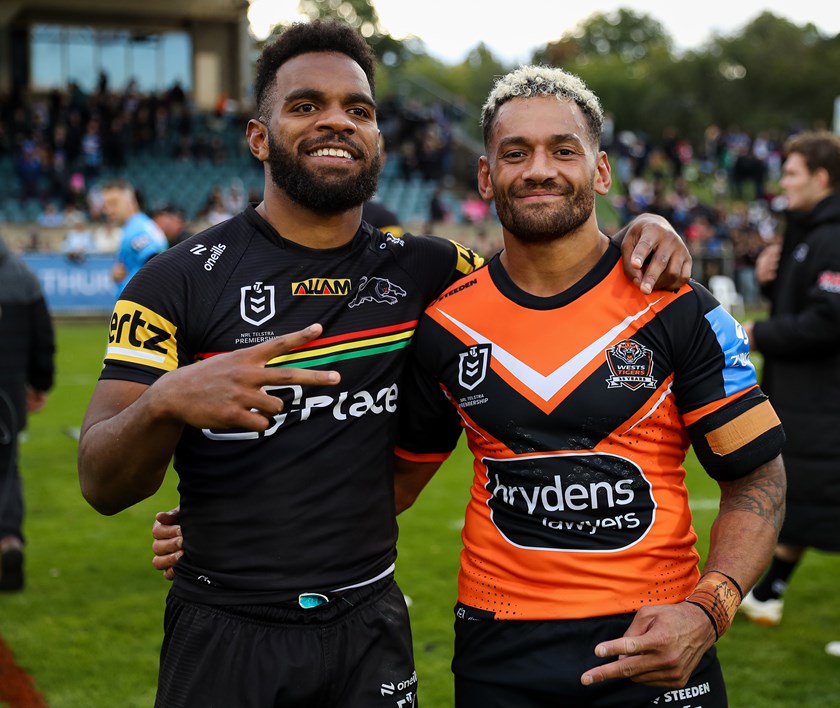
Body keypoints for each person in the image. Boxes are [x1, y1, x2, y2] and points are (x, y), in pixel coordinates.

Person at [81, 21, 691, 708]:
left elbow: (550, 266)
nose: (336, 121)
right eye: (306, 105)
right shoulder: (173, 283)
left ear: (376, 140)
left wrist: (645, 229)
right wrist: (167, 400)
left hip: (369, 626)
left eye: (359, 110)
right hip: (226, 627)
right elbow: (101, 482)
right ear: (258, 137)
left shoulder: (431, 268)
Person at [389, 66, 786, 706]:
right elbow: (393, 485)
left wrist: (709, 609)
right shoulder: (446, 322)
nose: (539, 168)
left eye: (562, 150)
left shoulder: (678, 305)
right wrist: (239, 520)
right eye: (515, 153)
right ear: (486, 176)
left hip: (659, 634)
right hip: (499, 644)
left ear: (601, 171)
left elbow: (758, 479)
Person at [739, 131, 840, 627]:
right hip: (808, 398)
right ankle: (769, 593)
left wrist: (759, 331)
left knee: (820, 499)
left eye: (792, 172)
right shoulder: (809, 232)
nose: (783, 182)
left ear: (821, 178)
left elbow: (830, 320)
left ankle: (768, 592)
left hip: (825, 398)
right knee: (804, 499)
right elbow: (808, 303)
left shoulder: (833, 234)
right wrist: (769, 282)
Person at [0, 235, 56, 592]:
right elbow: (43, 337)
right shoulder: (22, 275)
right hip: (7, 395)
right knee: (6, 470)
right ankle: (8, 541)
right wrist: (40, 383)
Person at [101, 179, 167, 299]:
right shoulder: (140, 225)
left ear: (130, 201)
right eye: (106, 205)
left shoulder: (136, 229)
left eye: (114, 203)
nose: (108, 210)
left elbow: (157, 264)